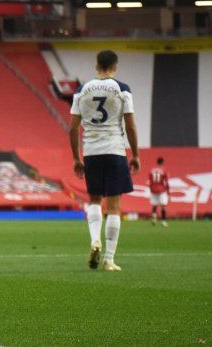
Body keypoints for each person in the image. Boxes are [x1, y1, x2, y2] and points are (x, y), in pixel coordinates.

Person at [69, 49, 140, 272]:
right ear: (115, 67)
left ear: (96, 66)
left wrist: (75, 158)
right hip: (114, 150)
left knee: (94, 201)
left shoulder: (82, 90)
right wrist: (136, 154)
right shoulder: (122, 89)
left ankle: (94, 241)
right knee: (114, 207)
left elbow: (72, 127)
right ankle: (109, 259)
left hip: (91, 151)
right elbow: (130, 124)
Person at [149, 157, 170, 226]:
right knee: (163, 205)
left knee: (154, 204)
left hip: (153, 189)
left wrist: (151, 188)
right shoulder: (163, 170)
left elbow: (149, 181)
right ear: (162, 162)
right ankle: (163, 221)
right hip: (161, 189)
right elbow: (166, 182)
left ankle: (154, 217)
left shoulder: (152, 170)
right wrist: (168, 192)